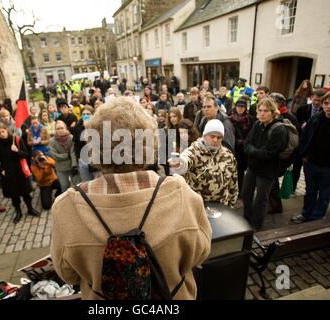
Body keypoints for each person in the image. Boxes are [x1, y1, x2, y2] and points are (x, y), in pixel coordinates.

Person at [50, 97, 212, 300]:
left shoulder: (66, 207)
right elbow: (200, 254)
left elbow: (68, 275)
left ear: (94, 145)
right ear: (150, 142)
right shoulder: (182, 194)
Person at [291, 91, 330, 223]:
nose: (328, 106)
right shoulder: (316, 118)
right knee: (310, 192)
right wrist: (304, 154)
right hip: (312, 164)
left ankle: (316, 218)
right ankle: (306, 214)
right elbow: (305, 136)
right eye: (326, 103)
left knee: (325, 196)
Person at [242, 98, 288, 231]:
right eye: (260, 110)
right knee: (246, 193)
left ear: (273, 112)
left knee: (261, 199)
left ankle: (256, 224)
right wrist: (255, 151)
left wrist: (253, 151)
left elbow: (268, 154)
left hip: (267, 171)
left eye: (266, 111)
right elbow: (247, 145)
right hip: (253, 167)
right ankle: (246, 218)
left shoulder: (279, 129)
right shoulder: (257, 124)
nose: (262, 114)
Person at [169, 119, 238, 207]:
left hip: (221, 207)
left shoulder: (228, 155)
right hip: (198, 207)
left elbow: (233, 183)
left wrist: (231, 205)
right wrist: (180, 164)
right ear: (204, 136)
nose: (215, 140)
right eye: (212, 136)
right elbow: (186, 159)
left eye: (219, 137)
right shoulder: (195, 150)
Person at [0, 124, 40, 224]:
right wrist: (0, 170)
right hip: (8, 173)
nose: (2, 134)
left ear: (7, 130)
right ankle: (18, 212)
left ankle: (30, 208)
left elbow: (26, 155)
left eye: (3, 131)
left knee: (26, 193)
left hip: (20, 171)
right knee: (14, 195)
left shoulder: (16, 140)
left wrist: (17, 151)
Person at [292, 89, 325, 192]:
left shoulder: (324, 112)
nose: (316, 103)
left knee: (310, 170)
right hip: (301, 142)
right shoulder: (302, 109)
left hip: (314, 146)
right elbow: (295, 123)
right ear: (311, 98)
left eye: (319, 101)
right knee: (296, 167)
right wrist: (301, 125)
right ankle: (293, 186)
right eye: (315, 100)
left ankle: (310, 188)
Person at [229, 97, 252, 195]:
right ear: (235, 107)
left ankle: (240, 191)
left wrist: (246, 141)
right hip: (234, 147)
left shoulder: (249, 119)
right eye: (238, 106)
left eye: (242, 107)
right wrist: (237, 141)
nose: (240, 108)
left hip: (244, 149)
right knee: (231, 170)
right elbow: (229, 133)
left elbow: (251, 132)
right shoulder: (230, 118)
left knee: (241, 171)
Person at [49, 121, 78, 193]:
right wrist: (67, 155)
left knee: (76, 187)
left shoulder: (71, 138)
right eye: (58, 128)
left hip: (72, 166)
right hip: (61, 168)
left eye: (62, 128)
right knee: (64, 187)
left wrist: (74, 165)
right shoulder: (52, 141)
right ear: (55, 130)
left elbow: (73, 152)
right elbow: (55, 156)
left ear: (66, 128)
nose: (60, 130)